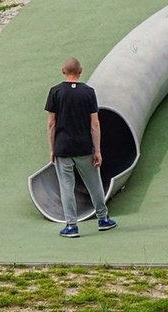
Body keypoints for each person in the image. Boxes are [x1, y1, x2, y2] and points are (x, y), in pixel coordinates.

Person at [43, 57, 116, 237]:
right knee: (94, 183)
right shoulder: (88, 92)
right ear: (80, 71)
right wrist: (97, 150)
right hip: (84, 147)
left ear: (63, 70)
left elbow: (51, 124)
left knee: (66, 187)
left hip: (63, 148)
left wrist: (52, 149)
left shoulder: (55, 92)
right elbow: (95, 124)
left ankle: (71, 226)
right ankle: (103, 219)